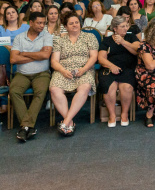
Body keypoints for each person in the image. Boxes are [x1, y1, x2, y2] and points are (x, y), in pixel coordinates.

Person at [49, 12, 98, 135]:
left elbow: (94, 57)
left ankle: (65, 122)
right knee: (54, 89)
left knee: (84, 87)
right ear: (65, 26)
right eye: (71, 23)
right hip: (64, 70)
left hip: (84, 70)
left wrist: (84, 69)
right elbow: (54, 61)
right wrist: (63, 71)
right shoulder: (59, 40)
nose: (75, 25)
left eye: (76, 22)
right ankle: (69, 122)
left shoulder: (89, 37)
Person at [9, 11, 53, 142]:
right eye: (39, 23)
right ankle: (28, 126)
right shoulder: (19, 37)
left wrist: (24, 54)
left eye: (44, 23)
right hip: (22, 73)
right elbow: (13, 59)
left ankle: (25, 127)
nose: (42, 25)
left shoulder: (47, 36)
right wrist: (37, 55)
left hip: (42, 73)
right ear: (31, 23)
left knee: (40, 92)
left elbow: (45, 55)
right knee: (14, 91)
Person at [98, 15, 140, 127]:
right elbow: (101, 58)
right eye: (122, 26)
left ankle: (124, 114)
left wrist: (123, 42)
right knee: (110, 87)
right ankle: (112, 115)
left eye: (126, 26)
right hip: (110, 68)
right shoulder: (107, 40)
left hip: (128, 68)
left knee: (126, 87)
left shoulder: (131, 37)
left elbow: (137, 50)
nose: (126, 28)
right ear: (115, 29)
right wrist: (111, 66)